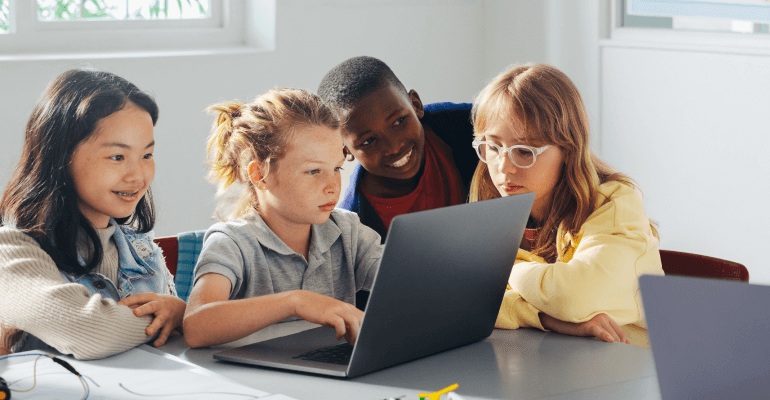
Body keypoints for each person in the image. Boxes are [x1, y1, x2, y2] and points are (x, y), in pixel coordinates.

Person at [469, 63, 664, 348]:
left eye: (524, 151)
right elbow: (466, 302)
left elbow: (575, 297)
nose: (504, 167)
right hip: (549, 362)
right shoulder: (500, 208)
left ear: (568, 150)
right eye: (494, 147)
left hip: (628, 372)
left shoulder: (614, 205)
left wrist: (506, 270)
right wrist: (548, 319)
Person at [0, 69, 185, 360]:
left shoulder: (140, 248)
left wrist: (177, 312)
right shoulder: (12, 251)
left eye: (147, 155)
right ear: (61, 157)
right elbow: (88, 333)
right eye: (117, 157)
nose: (138, 175)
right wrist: (173, 317)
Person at [182, 88, 383, 348]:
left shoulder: (348, 230)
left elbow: (405, 282)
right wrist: (295, 302)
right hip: (256, 381)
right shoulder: (231, 243)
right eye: (313, 171)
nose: (333, 185)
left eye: (336, 168)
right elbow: (196, 326)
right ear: (260, 175)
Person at [317, 56, 479, 240]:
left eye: (399, 121)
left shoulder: (473, 125)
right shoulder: (354, 228)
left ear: (415, 105)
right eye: (369, 141)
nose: (393, 147)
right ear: (345, 150)